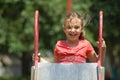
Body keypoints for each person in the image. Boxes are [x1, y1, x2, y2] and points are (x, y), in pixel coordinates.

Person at [33, 12, 106, 64]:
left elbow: (98, 62)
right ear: (64, 29)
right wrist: (40, 60)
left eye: (76, 27)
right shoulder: (59, 45)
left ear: (81, 29)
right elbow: (54, 66)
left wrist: (102, 49)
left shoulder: (86, 44)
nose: (73, 30)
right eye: (69, 27)